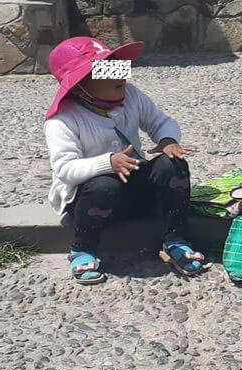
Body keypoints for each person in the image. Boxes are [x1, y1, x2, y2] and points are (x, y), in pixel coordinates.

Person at [43, 36, 207, 284]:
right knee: (104, 184)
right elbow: (65, 169)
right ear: (80, 86)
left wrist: (167, 141)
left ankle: (176, 239)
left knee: (173, 165)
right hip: (91, 200)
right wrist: (108, 163)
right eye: (105, 70)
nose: (122, 77)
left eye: (116, 65)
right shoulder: (62, 120)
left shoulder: (130, 95)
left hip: (132, 190)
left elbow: (161, 122)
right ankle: (82, 248)